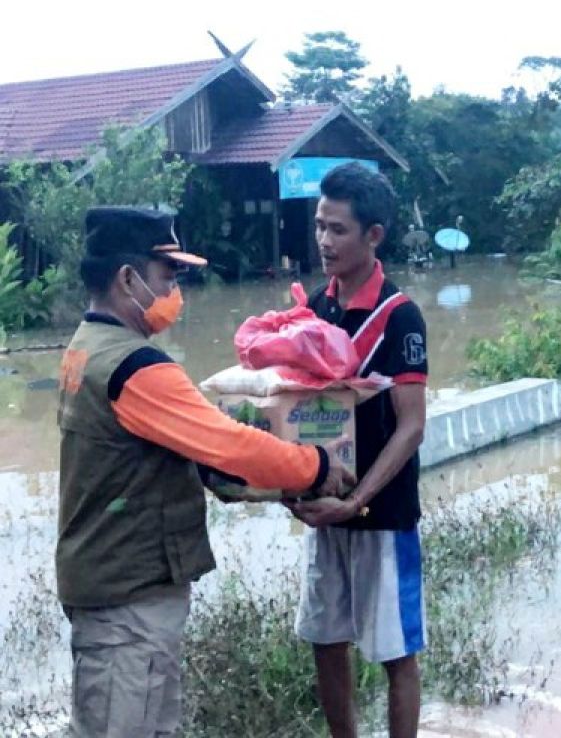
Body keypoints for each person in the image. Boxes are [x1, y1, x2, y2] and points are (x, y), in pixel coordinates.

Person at [57, 206, 353, 738]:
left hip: (112, 589)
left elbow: (176, 456)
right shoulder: (136, 366)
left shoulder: (86, 347)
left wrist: (262, 486)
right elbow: (228, 445)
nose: (176, 293)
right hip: (129, 603)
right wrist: (317, 465)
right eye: (167, 278)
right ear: (128, 279)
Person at [288, 163, 429, 738]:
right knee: (325, 640)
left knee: (395, 654)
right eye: (319, 226)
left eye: (338, 229)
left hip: (381, 513)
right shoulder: (315, 308)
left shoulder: (400, 317)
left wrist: (360, 500)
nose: (324, 241)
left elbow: (412, 426)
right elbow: (296, 409)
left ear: (374, 236)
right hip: (325, 509)